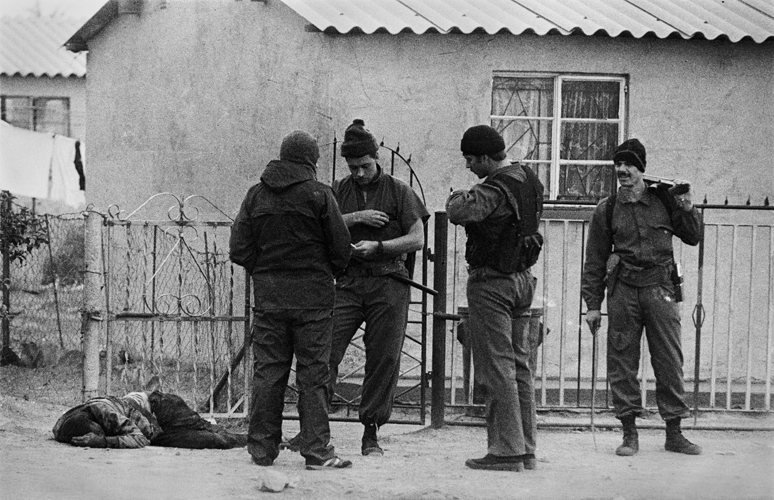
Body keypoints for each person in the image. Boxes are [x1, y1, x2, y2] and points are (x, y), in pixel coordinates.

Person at [230, 130, 353, 470]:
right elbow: (341, 249)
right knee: (313, 374)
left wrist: (266, 271)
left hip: (270, 299)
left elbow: (239, 249)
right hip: (314, 300)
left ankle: (261, 450)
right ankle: (316, 452)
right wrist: (326, 270)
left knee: (268, 372)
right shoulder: (319, 194)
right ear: (311, 160)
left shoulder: (256, 196)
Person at [581, 138, 702, 457]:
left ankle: (674, 433)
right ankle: (629, 433)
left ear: (641, 169)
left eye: (629, 164)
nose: (622, 170)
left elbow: (693, 237)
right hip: (622, 290)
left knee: (669, 358)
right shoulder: (606, 210)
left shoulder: (665, 201)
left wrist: (688, 206)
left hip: (660, 288)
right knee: (621, 359)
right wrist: (592, 306)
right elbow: (594, 260)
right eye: (618, 164)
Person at [446, 124, 544, 472]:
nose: (470, 166)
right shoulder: (528, 178)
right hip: (522, 280)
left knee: (496, 367)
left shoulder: (494, 188)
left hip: (493, 283)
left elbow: (459, 212)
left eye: (472, 160)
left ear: (487, 157)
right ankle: (526, 449)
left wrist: (459, 193)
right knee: (519, 367)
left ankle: (505, 451)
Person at [328, 119, 429, 456]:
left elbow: (417, 238)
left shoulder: (399, 190)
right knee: (324, 350)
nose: (357, 173)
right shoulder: (338, 191)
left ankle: (370, 432)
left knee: (384, 357)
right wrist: (357, 218)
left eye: (364, 165)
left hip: (389, 283)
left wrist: (381, 247)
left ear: (376, 159)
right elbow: (319, 227)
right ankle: (314, 428)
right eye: (352, 166)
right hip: (348, 282)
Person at [52, 390, 246, 449]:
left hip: (155, 408)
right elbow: (145, 437)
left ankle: (255, 438)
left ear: (96, 421)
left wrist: (100, 441)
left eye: (100, 429)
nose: (104, 432)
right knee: (212, 439)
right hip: (156, 432)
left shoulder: (106, 413)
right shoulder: (62, 428)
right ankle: (252, 438)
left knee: (205, 428)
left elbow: (139, 438)